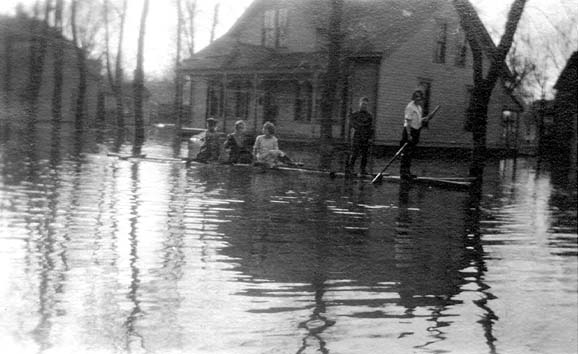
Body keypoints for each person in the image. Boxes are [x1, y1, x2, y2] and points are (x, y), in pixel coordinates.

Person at [399, 89, 430, 179]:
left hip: (416, 131)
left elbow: (418, 120)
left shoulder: (419, 107)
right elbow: (408, 122)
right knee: (406, 153)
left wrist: (426, 118)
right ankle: (403, 173)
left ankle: (408, 171)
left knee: (411, 153)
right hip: (409, 131)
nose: (419, 100)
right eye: (417, 97)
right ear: (414, 98)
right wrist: (409, 135)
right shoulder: (410, 107)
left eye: (420, 98)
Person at [346, 97, 374, 176]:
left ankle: (362, 169)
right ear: (360, 104)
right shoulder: (355, 114)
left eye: (365, 104)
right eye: (362, 104)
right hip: (357, 136)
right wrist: (356, 124)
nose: (364, 106)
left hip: (365, 137)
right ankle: (350, 168)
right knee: (354, 153)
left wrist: (370, 138)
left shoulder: (369, 116)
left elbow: (370, 127)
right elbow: (351, 123)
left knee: (365, 154)